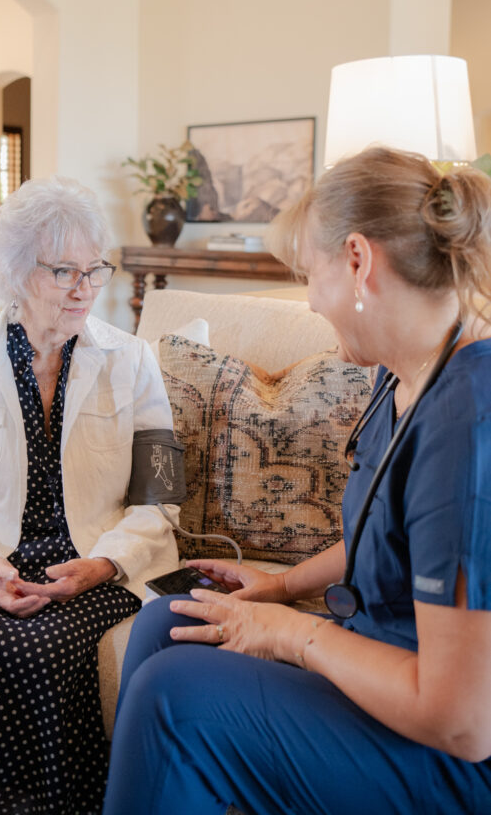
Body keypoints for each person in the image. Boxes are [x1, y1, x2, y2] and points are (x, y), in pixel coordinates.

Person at [102, 146, 491, 815]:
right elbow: (386, 532)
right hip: (380, 673)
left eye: (310, 274)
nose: (310, 301)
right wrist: (278, 587)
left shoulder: (466, 428)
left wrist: (292, 632)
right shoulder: (398, 376)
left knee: (173, 695)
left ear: (358, 261)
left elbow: (462, 722)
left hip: (445, 755)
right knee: (170, 621)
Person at [0, 176, 180, 815]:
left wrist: (101, 565)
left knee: (45, 648)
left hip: (92, 560)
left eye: (94, 270)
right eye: (62, 271)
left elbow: (161, 499)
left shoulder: (133, 362)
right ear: (16, 275)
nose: (83, 288)